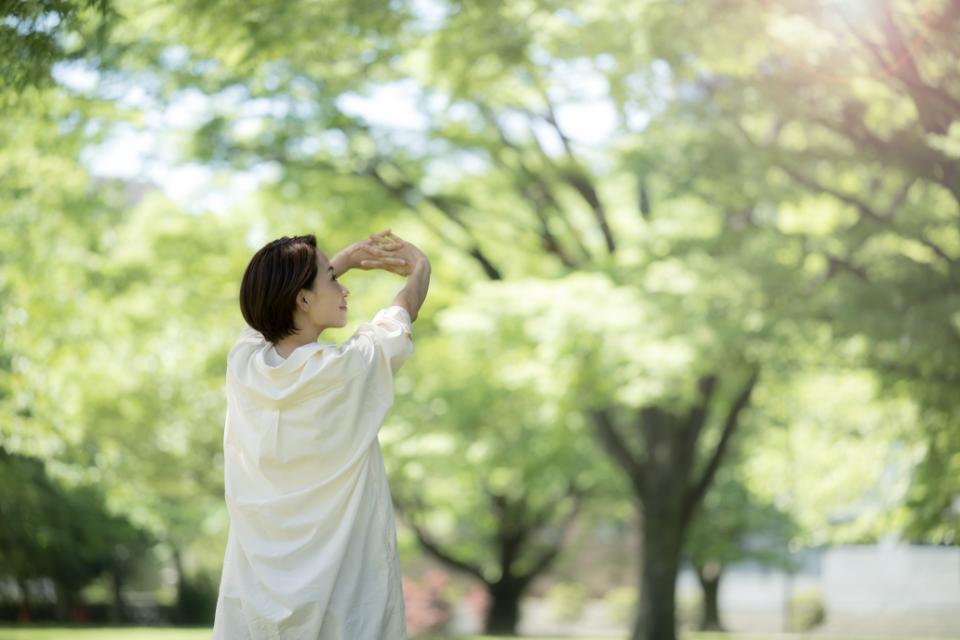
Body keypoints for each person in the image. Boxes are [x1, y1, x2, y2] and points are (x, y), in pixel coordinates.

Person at [212, 229, 431, 640]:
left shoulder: (243, 367)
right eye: (331, 279)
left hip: (258, 593)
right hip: (340, 596)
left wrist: (340, 260)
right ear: (303, 299)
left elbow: (262, 318)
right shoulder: (344, 372)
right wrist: (420, 268)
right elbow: (400, 318)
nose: (343, 287)